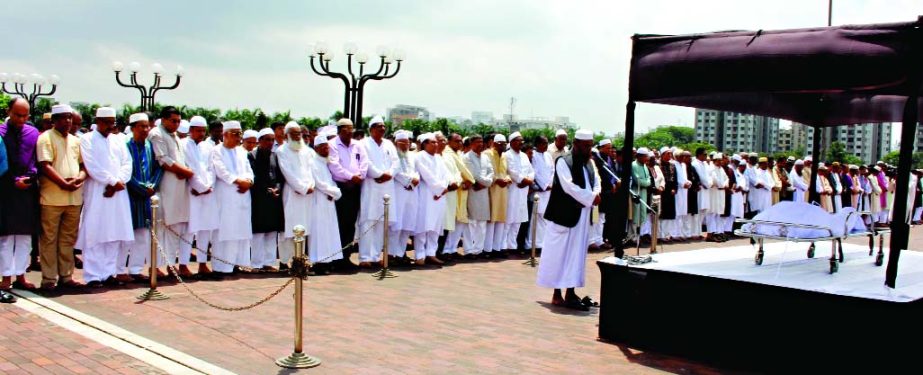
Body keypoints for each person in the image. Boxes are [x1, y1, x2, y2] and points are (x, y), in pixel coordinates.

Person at [537, 129, 600, 311]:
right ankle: (557, 294)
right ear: (576, 144)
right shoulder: (563, 161)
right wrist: (589, 197)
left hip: (582, 216)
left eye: (590, 145)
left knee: (576, 254)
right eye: (586, 146)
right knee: (560, 254)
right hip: (563, 215)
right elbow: (568, 186)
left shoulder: (590, 162)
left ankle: (571, 292)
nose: (589, 149)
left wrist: (595, 194)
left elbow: (597, 181)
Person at [76, 107, 134, 288]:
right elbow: (91, 165)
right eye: (107, 122)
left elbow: (127, 163)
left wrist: (118, 183)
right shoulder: (86, 139)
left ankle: (109, 273)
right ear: (98, 121)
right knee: (95, 233)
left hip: (118, 193)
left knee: (114, 233)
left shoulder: (118, 141)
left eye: (113, 122)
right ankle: (92, 275)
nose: (110, 126)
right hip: (98, 191)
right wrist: (110, 182)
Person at [36, 104, 86, 291]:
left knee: (68, 239)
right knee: (49, 239)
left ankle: (66, 276)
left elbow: (83, 166)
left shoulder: (75, 141)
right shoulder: (45, 138)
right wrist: (63, 183)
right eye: (63, 118)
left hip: (73, 198)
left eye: (69, 118)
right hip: (52, 198)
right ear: (54, 121)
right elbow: (45, 165)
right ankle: (49, 279)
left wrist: (80, 178)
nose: (68, 121)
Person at [148, 106, 195, 278]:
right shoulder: (157, 134)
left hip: (179, 189)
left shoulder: (174, 136)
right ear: (164, 119)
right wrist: (184, 171)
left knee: (175, 228)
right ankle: (156, 267)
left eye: (178, 121)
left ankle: (170, 265)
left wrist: (186, 171)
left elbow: (180, 160)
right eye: (173, 120)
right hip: (165, 187)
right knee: (161, 227)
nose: (176, 124)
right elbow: (164, 160)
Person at [0, 98, 40, 291]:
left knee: (24, 237)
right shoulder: (0, 132)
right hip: (5, 190)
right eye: (17, 114)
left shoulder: (33, 133)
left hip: (27, 191)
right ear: (8, 111)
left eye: (25, 115)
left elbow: (36, 160)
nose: (21, 119)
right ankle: (6, 277)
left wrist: (31, 177)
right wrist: (13, 181)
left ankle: (21, 276)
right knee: (6, 237)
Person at [119, 113, 163, 283]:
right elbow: (125, 172)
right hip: (129, 196)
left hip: (147, 197)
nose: (145, 130)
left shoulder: (150, 146)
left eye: (147, 126)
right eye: (141, 126)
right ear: (132, 128)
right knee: (126, 235)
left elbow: (159, 168)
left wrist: (152, 185)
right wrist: (140, 188)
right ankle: (120, 270)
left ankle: (136, 270)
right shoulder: (125, 146)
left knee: (143, 235)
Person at [209, 121, 254, 278]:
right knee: (225, 231)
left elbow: (249, 170)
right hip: (226, 195)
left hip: (243, 195)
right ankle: (220, 267)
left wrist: (249, 181)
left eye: (240, 134)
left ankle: (237, 264)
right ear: (225, 134)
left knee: (240, 231)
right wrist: (238, 181)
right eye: (235, 134)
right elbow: (221, 170)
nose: (238, 137)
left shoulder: (242, 152)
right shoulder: (216, 151)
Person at [357, 116, 398, 268]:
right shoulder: (363, 144)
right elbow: (365, 163)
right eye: (378, 126)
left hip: (387, 186)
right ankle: (365, 257)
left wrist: (389, 174)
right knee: (368, 221)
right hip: (371, 186)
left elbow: (396, 162)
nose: (382, 129)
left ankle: (375, 256)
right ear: (371, 129)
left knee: (382, 222)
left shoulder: (388, 144)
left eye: (383, 126)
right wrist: (379, 174)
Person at [327, 118, 367, 269]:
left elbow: (364, 162)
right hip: (341, 187)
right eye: (346, 129)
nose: (350, 132)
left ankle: (346, 256)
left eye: (351, 129)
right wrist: (350, 177)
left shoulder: (358, 145)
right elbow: (334, 165)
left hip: (355, 187)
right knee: (339, 223)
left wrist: (359, 176)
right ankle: (336, 258)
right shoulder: (332, 145)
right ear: (339, 130)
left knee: (350, 223)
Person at [276, 122, 316, 271]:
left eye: (299, 133)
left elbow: (312, 170)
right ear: (287, 135)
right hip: (292, 195)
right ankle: (284, 261)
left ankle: (299, 261)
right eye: (294, 133)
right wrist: (302, 187)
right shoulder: (282, 151)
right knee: (289, 230)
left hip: (306, 196)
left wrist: (310, 186)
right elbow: (288, 173)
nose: (297, 136)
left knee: (303, 229)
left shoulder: (308, 151)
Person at [183, 116, 216, 279]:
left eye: (203, 130)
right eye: (198, 130)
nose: (201, 133)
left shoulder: (208, 147)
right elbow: (188, 168)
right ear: (191, 130)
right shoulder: (183, 145)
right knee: (189, 230)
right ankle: (183, 264)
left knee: (205, 229)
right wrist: (199, 187)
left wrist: (207, 187)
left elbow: (211, 168)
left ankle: (203, 264)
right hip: (191, 192)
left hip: (206, 193)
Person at [248, 128, 284, 271]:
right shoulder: (252, 156)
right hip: (259, 200)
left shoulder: (275, 156)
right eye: (267, 139)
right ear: (260, 141)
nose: (270, 142)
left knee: (271, 232)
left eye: (272, 140)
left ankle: (268, 263)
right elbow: (253, 177)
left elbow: (280, 177)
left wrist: (277, 188)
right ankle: (256, 264)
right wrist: (266, 190)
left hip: (274, 200)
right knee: (258, 233)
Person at [308, 133, 343, 274]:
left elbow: (331, 181)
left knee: (329, 232)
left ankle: (329, 261)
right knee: (319, 233)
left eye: (327, 147)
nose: (326, 150)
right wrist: (335, 192)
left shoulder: (324, 162)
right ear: (316, 148)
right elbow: (319, 183)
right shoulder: (313, 163)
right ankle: (318, 263)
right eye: (322, 147)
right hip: (318, 201)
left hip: (329, 201)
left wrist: (334, 193)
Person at [413, 133, 449, 266]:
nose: (436, 145)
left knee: (435, 226)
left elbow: (446, 175)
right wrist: (439, 189)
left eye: (436, 142)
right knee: (423, 226)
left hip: (439, 196)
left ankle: (431, 253)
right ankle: (419, 255)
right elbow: (427, 175)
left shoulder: (439, 158)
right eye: (432, 142)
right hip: (426, 194)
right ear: (424, 144)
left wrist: (443, 188)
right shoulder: (419, 157)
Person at [388, 130, 419, 266]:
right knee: (396, 226)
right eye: (402, 143)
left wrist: (414, 180)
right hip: (398, 191)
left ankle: (400, 253)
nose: (405, 145)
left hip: (411, 192)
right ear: (396, 143)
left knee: (407, 224)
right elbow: (396, 172)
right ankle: (390, 254)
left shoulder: (412, 156)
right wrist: (408, 181)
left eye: (407, 142)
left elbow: (416, 171)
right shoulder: (392, 155)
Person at [442, 133, 474, 259]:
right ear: (449, 142)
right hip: (454, 190)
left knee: (460, 221)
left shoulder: (459, 154)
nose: (460, 143)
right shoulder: (447, 154)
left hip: (463, 191)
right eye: (456, 141)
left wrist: (468, 181)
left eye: (461, 141)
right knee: (451, 221)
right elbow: (458, 172)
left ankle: (452, 248)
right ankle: (445, 250)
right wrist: (469, 180)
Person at [502, 132, 535, 254]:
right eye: (518, 140)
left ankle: (512, 246)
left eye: (522, 140)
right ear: (511, 142)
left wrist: (528, 181)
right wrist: (523, 180)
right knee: (508, 220)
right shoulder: (507, 155)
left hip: (523, 190)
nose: (521, 143)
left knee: (518, 221)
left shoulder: (524, 156)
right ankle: (503, 246)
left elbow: (531, 171)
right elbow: (512, 171)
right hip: (512, 190)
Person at [463, 135, 493, 260]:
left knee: (482, 223)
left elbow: (491, 173)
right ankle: (469, 250)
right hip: (472, 191)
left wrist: (486, 183)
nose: (480, 144)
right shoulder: (467, 157)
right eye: (477, 142)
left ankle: (478, 249)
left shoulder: (486, 157)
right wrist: (486, 182)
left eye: (481, 142)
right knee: (471, 222)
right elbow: (473, 174)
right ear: (471, 144)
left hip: (483, 192)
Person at [484, 134, 510, 258]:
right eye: (500, 144)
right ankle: (487, 249)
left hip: (503, 191)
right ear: (494, 144)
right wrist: (496, 180)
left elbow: (507, 172)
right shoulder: (487, 154)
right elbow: (487, 172)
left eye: (504, 143)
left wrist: (508, 179)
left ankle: (497, 248)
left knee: (501, 220)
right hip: (492, 190)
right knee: (491, 220)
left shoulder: (505, 156)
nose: (503, 146)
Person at [527, 136, 554, 252]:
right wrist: (544, 185)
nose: (546, 146)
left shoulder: (548, 155)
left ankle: (542, 243)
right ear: (537, 144)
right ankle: (531, 243)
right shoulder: (533, 155)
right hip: (539, 191)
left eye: (547, 143)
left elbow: (552, 171)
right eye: (543, 143)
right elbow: (534, 172)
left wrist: (550, 184)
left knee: (544, 218)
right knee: (535, 217)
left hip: (548, 191)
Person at [657, 148, 678, 243]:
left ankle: (667, 234)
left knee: (669, 215)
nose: (669, 156)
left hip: (670, 192)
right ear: (662, 155)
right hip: (662, 192)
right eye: (667, 154)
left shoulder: (673, 165)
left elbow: (675, 180)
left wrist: (674, 188)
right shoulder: (658, 165)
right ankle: (659, 235)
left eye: (670, 154)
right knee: (661, 214)